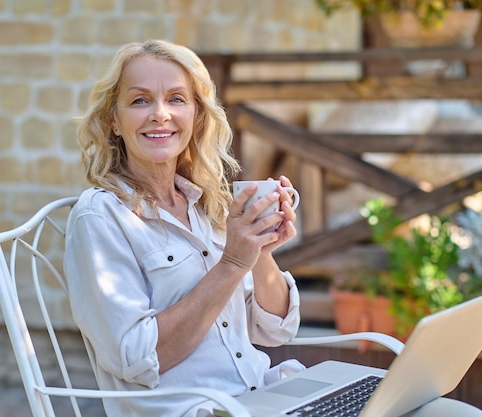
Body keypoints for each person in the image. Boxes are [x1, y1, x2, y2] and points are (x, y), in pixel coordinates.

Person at [64, 39, 303, 417]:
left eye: (176, 99)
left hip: (260, 397)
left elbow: (274, 332)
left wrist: (261, 252)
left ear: (196, 115)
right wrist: (232, 264)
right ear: (113, 120)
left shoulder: (207, 204)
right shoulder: (99, 216)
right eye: (140, 100)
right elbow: (140, 359)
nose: (160, 114)